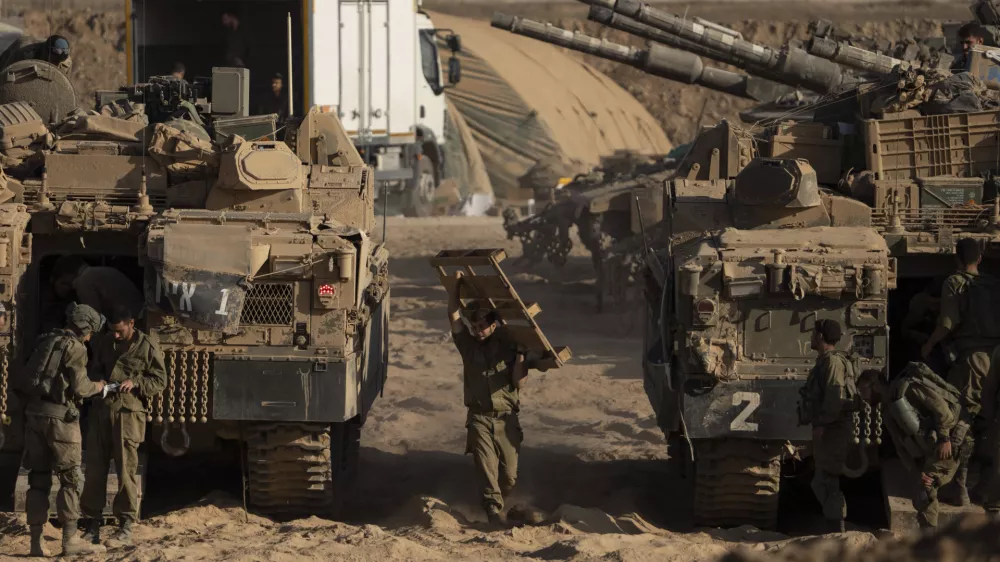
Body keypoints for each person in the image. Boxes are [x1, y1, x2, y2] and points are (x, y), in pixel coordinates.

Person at [15, 304, 107, 556]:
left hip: (35, 415)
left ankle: (36, 543)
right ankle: (70, 541)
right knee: (71, 480)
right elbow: (80, 388)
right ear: (85, 328)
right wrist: (100, 386)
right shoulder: (75, 348)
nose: (90, 338)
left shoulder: (46, 340)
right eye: (91, 332)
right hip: (61, 419)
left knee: (38, 478)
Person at [921, 238, 1000, 506]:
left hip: (972, 361)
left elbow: (947, 322)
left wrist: (929, 344)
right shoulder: (993, 283)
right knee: (990, 421)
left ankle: (959, 487)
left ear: (956, 259)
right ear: (980, 259)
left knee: (960, 421)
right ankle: (988, 488)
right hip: (996, 357)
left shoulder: (954, 283)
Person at [80, 305, 166, 547]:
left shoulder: (146, 346)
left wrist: (135, 382)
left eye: (120, 331)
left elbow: (160, 379)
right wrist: (98, 381)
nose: (116, 335)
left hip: (129, 414)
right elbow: (93, 366)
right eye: (112, 331)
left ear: (131, 324)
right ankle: (92, 524)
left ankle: (125, 524)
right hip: (102, 410)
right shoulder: (104, 342)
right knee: (95, 469)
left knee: (126, 471)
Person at [447, 271, 528, 525]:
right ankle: (492, 510)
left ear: (494, 325)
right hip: (480, 417)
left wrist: (521, 358)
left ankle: (497, 501)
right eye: (475, 326)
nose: (478, 330)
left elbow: (519, 382)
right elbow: (453, 315)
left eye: (483, 326)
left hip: (507, 419)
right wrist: (456, 286)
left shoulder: (508, 346)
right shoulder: (467, 346)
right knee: (485, 464)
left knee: (509, 476)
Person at [857, 363, 972, 529]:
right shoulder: (889, 409)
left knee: (926, 489)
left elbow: (942, 410)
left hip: (951, 439)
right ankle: (928, 537)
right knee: (922, 486)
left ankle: (929, 541)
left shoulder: (905, 388)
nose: (863, 397)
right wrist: (915, 470)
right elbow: (901, 446)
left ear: (874, 384)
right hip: (931, 448)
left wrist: (944, 438)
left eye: (863, 390)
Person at [798, 319, 856, 532]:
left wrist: (822, 423)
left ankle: (836, 529)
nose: (811, 337)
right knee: (823, 480)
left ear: (820, 337)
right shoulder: (827, 361)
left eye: (814, 333)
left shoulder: (832, 362)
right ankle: (835, 526)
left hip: (833, 429)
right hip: (830, 427)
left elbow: (834, 395)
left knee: (826, 481)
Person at [51, 256, 145, 322]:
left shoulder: (84, 282)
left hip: (132, 323)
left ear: (64, 276)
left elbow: (93, 320)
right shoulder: (97, 272)